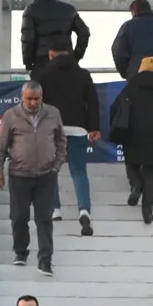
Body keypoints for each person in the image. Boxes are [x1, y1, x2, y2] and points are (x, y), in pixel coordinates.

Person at [0, 81, 67, 277]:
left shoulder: (53, 113)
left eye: (36, 99)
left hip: (46, 175)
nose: (33, 103)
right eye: (29, 99)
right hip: (19, 175)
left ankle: (45, 260)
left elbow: (61, 141)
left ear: (42, 97)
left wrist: (57, 165)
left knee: (45, 219)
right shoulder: (10, 115)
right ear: (22, 97)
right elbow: (1, 148)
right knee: (19, 217)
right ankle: (21, 252)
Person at [38, 36, 101, 236]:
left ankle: (55, 209)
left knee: (51, 169)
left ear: (51, 54)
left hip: (52, 127)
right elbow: (93, 102)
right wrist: (94, 127)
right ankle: (84, 210)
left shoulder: (43, 74)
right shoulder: (83, 74)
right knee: (79, 171)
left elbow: (37, 102)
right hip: (78, 128)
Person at [109, 57, 153, 224]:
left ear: (140, 69)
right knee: (152, 172)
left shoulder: (130, 88)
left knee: (131, 162)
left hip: (132, 133)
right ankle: (147, 211)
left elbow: (115, 108)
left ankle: (137, 184)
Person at [21, 0, 91, 82]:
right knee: (69, 89)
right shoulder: (69, 9)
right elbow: (84, 33)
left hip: (42, 63)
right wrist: (76, 57)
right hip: (67, 61)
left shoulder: (31, 10)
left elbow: (28, 39)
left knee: (43, 89)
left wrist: (28, 64)